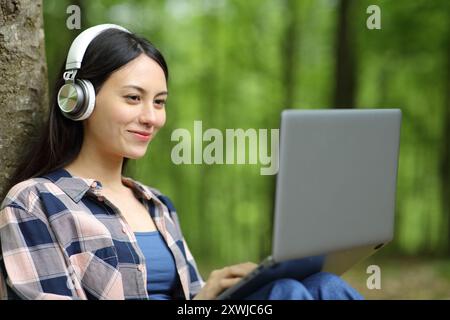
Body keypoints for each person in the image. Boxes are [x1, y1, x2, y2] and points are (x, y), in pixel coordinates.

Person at [0, 24, 362, 300]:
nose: (151, 117)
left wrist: (217, 293)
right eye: (133, 98)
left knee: (323, 285)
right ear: (78, 100)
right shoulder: (34, 203)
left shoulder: (156, 205)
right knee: (288, 295)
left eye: (159, 102)